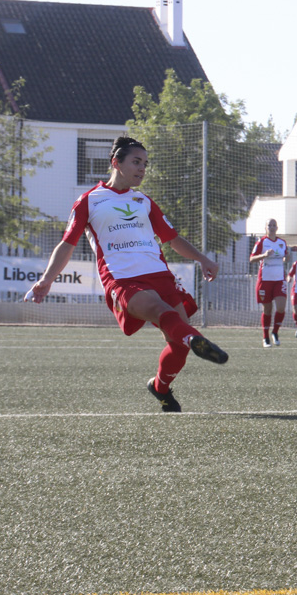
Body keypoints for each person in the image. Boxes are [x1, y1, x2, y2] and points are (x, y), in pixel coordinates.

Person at [27, 135, 227, 413]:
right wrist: (47, 279)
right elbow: (67, 243)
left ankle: (160, 387)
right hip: (123, 279)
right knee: (162, 313)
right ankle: (195, 339)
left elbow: (172, 239)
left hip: (160, 275)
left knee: (177, 347)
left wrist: (203, 259)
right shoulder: (90, 200)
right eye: (136, 162)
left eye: (145, 163)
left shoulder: (143, 200)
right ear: (115, 163)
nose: (142, 168)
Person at [250, 218, 290, 347]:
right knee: (267, 309)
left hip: (279, 279)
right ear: (265, 228)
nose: (272, 227)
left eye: (274, 225)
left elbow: (286, 257)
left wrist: (287, 257)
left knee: (281, 307)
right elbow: (251, 259)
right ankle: (265, 337)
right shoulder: (261, 242)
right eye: (269, 225)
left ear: (277, 228)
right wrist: (264, 255)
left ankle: (275, 332)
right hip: (265, 280)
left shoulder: (282, 242)